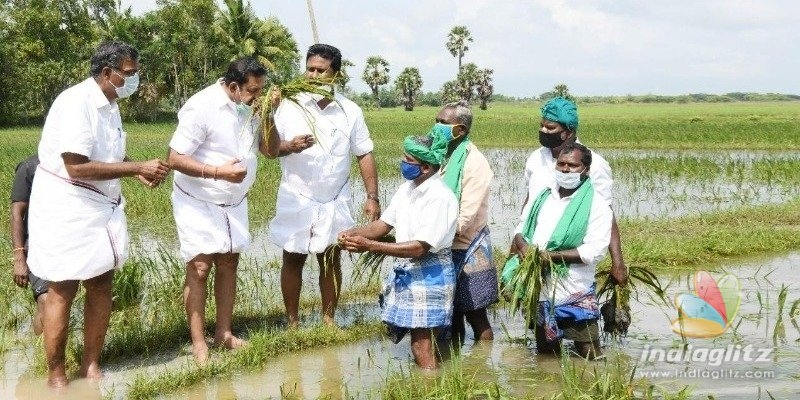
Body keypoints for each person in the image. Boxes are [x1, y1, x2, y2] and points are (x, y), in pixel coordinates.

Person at [27, 41, 170, 387]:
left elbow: (106, 155)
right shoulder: (77, 103)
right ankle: (56, 373)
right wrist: (136, 165)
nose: (134, 80)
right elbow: (76, 166)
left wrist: (133, 170)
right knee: (62, 288)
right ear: (108, 74)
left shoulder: (110, 104)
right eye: (130, 74)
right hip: (69, 207)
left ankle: (90, 363)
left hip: (99, 208)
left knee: (101, 283)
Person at [265, 44, 380, 328]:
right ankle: (292, 322)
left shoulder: (350, 111)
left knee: (331, 259)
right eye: (309, 69)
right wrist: (287, 141)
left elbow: (364, 153)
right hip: (296, 193)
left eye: (321, 70)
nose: (313, 75)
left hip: (334, 196)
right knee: (293, 258)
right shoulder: (287, 105)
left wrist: (372, 196)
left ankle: (329, 320)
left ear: (336, 74)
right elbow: (268, 149)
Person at [167, 57, 272, 364]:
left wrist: (268, 113)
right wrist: (218, 172)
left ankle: (224, 333)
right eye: (253, 92)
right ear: (233, 87)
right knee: (199, 269)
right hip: (198, 198)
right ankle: (199, 342)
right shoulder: (202, 107)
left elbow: (268, 149)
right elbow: (175, 158)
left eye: (261, 91)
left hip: (234, 200)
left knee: (229, 262)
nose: (257, 97)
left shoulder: (252, 108)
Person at [338, 135, 458, 369]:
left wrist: (370, 246)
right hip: (410, 271)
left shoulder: (440, 197)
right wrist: (352, 233)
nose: (402, 162)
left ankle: (430, 387)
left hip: (430, 274)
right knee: (419, 343)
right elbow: (382, 226)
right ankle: (429, 385)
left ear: (425, 167)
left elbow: (419, 248)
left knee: (421, 346)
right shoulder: (407, 189)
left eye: (407, 159)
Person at [508, 143, 612, 359]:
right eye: (561, 164)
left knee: (589, 352)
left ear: (586, 170)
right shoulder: (543, 197)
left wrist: (549, 257)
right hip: (541, 289)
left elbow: (594, 251)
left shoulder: (597, 205)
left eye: (572, 166)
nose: (565, 170)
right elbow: (521, 227)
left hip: (574, 290)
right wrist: (524, 246)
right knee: (546, 352)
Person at [523, 97, 628, 286]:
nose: (543, 131)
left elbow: (606, 213)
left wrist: (618, 263)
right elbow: (528, 205)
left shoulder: (594, 164)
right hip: (534, 257)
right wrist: (514, 253)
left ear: (568, 132)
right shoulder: (535, 159)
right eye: (542, 126)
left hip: (573, 262)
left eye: (550, 128)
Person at [429, 101, 497, 342]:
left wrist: (427, 237)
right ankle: (454, 364)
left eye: (443, 123)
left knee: (475, 313)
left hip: (466, 246)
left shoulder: (474, 163)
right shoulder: (438, 156)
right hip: (442, 244)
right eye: (436, 121)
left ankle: (482, 364)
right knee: (450, 314)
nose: (437, 127)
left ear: (461, 130)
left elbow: (465, 216)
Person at [10, 154, 49, 335]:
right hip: (38, 244)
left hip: (70, 242)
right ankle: (44, 357)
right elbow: (17, 213)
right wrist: (19, 257)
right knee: (46, 300)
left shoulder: (76, 165)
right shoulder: (29, 167)